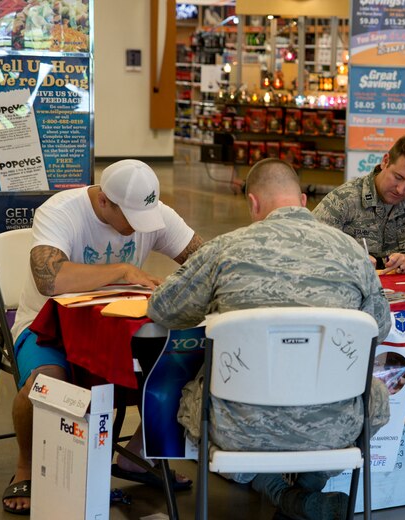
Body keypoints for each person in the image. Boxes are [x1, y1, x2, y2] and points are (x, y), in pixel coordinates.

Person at [147, 158, 392, 520]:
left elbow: (163, 309)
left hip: (240, 429)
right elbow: (379, 327)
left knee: (190, 392)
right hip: (333, 425)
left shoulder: (225, 249)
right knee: (378, 396)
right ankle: (305, 491)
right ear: (303, 202)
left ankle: (280, 492)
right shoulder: (354, 254)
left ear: (253, 202)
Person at [2, 159, 203, 515]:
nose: (137, 228)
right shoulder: (63, 211)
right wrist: (123, 270)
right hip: (47, 328)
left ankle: (138, 456)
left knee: (183, 362)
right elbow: (50, 280)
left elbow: (205, 260)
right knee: (46, 382)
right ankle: (27, 467)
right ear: (104, 201)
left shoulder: (152, 212)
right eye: (130, 218)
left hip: (115, 327)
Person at [313, 133, 405, 274]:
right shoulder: (343, 200)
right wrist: (350, 258)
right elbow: (311, 247)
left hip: (402, 289)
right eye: (398, 177)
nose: (401, 190)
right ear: (385, 161)